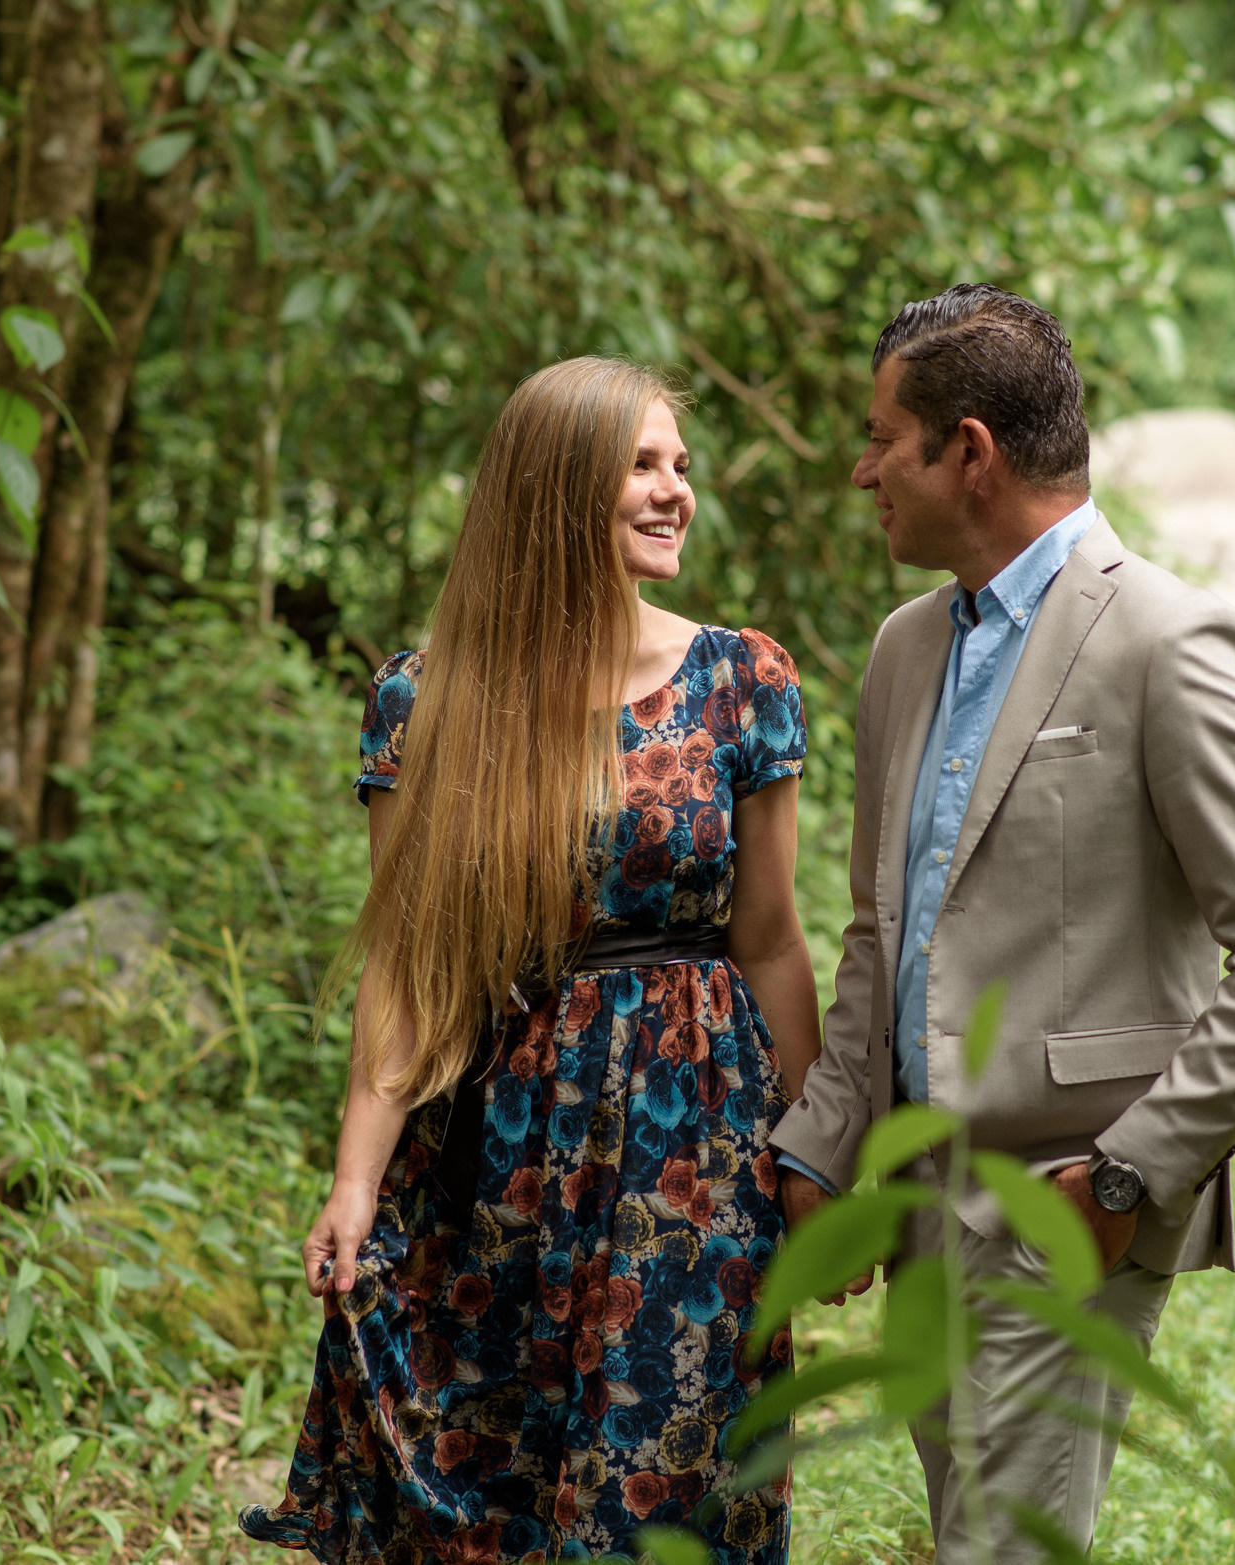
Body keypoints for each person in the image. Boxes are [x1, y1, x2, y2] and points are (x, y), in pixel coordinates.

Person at [771, 286, 1235, 1564]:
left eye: (881, 438)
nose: (861, 469)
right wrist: (822, 1148)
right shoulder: (902, 648)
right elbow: (879, 929)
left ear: (966, 451)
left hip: (1066, 1199)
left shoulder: (1170, 638)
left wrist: (1133, 1169)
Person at [240, 357, 821, 1565]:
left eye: (682, 466)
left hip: (693, 1150)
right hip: (500, 1150)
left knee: (671, 1476)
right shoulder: (428, 697)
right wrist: (355, 1177)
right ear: (559, 489)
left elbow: (770, 939)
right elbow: (407, 964)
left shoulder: (739, 678)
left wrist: (811, 1160)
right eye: (643, 464)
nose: (675, 492)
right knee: (495, 1473)